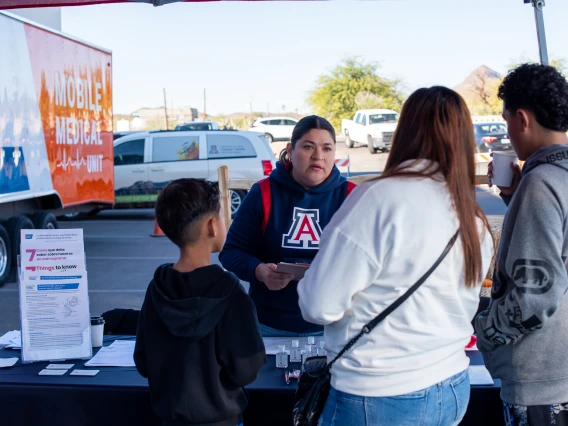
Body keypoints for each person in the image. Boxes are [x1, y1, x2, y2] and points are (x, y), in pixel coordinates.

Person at [298, 86, 494, 426]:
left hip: (378, 395)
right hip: (452, 385)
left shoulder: (378, 198)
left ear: (405, 131)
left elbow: (318, 305)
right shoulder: (472, 215)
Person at [476, 63, 568, 426]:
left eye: (506, 120)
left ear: (523, 119)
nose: (508, 132)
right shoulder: (554, 177)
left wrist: (485, 330)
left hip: (541, 382)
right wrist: (515, 197)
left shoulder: (542, 183)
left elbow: (535, 293)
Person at [134, 178, 266, 426]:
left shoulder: (157, 288)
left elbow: (143, 362)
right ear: (212, 226)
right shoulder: (230, 292)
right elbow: (247, 369)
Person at [219, 115, 355, 337]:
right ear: (290, 150)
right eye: (308, 147)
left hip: (334, 327)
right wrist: (259, 271)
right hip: (268, 326)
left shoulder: (351, 196)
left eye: (327, 148)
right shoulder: (262, 193)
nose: (318, 156)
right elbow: (231, 252)